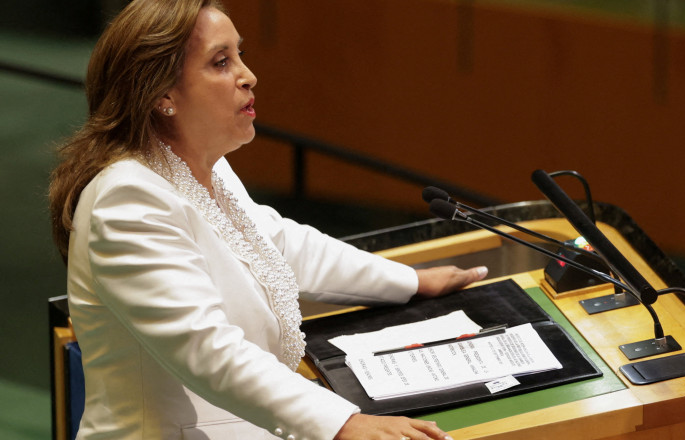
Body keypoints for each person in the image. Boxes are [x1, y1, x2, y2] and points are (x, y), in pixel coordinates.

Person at [48, 1, 488, 439]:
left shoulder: (205, 167)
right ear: (162, 93)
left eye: (241, 54)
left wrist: (411, 281)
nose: (248, 75)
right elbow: (207, 350)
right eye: (221, 62)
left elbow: (278, 244)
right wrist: (343, 423)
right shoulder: (128, 201)